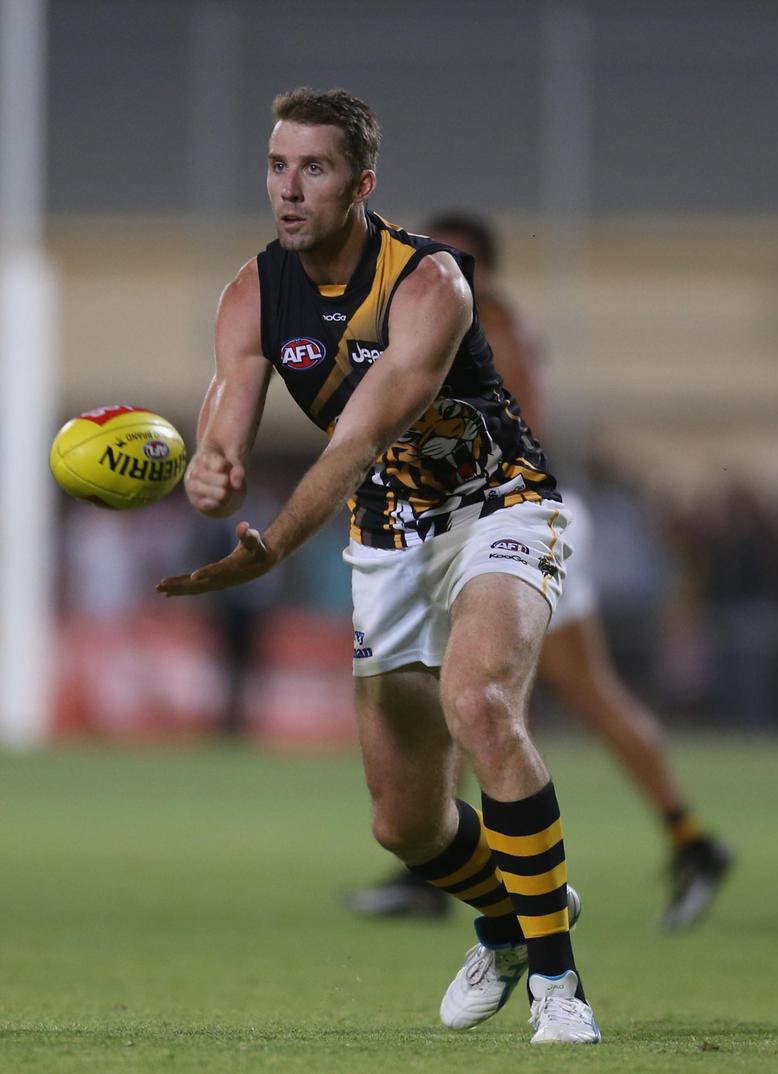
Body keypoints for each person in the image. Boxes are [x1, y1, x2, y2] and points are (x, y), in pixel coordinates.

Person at [157, 88, 600, 1044]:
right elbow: (231, 408)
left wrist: (271, 546)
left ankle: (560, 991)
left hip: (497, 505)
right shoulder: (251, 293)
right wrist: (212, 470)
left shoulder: (429, 282)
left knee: (480, 703)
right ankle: (517, 919)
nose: (288, 189)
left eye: (312, 169)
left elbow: (356, 441)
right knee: (405, 825)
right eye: (277, 166)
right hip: (389, 533)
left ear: (361, 184)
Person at [342, 213, 732, 932]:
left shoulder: (489, 326)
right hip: (498, 517)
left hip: (510, 518)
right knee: (482, 691)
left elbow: (515, 431)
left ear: (478, 267)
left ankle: (685, 843)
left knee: (501, 693)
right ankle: (684, 841)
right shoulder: (462, 323)